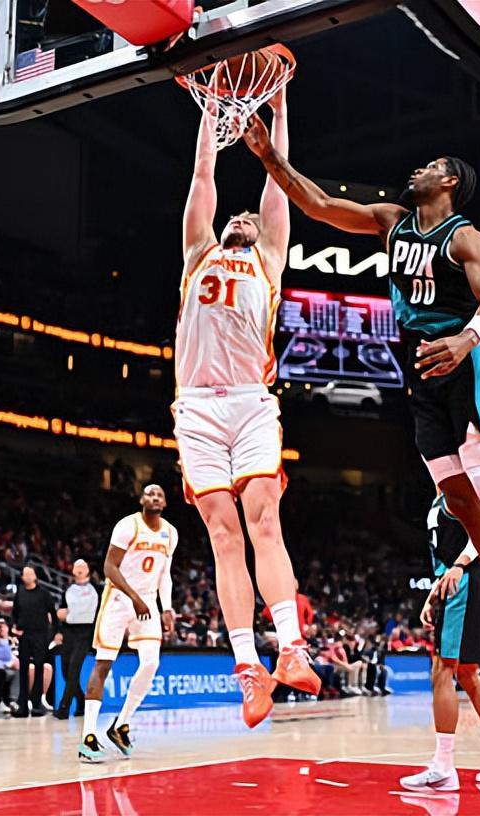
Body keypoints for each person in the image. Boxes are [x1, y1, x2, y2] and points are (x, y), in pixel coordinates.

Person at [243, 118, 480, 681]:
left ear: (450, 183)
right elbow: (318, 204)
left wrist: (467, 340)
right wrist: (269, 155)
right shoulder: (393, 223)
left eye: (432, 166)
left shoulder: (465, 237)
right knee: (458, 497)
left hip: (465, 359)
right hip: (421, 372)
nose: (419, 169)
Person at [173, 87, 322, 729]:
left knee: (265, 523)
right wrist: (211, 111)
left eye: (251, 218)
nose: (241, 217)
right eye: (235, 217)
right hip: (196, 410)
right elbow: (203, 175)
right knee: (222, 534)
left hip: (251, 404)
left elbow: (277, 183)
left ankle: (291, 648)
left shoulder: (268, 260)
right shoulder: (198, 252)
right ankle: (247, 670)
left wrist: (281, 107)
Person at [401, 493, 480, 793]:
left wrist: (460, 565)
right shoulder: (439, 497)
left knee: (443, 671)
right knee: (467, 673)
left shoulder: (458, 488)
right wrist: (434, 593)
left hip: (463, 581)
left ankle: (443, 767)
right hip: (457, 582)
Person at [80, 485, 177, 762]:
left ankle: (120, 724)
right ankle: (88, 736)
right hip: (119, 599)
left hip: (147, 601)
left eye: (159, 495)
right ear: (141, 500)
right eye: (150, 494)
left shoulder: (171, 533)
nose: (154, 497)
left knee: (151, 663)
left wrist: (167, 607)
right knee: (103, 663)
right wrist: (134, 598)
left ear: (164, 503)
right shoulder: (127, 525)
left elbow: (165, 574)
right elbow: (109, 567)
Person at [11, 566, 57, 717]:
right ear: (22, 577)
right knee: (23, 668)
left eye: (31, 574)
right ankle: (22, 704)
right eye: (26, 574)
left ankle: (37, 703)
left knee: (39, 668)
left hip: (40, 635)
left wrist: (53, 634)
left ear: (35, 576)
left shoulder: (44, 593)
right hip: (24, 635)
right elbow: (15, 613)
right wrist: (14, 626)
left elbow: (53, 614)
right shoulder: (20, 593)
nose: (28, 576)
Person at [57, 558, 98, 719]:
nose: (79, 569)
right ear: (73, 571)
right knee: (66, 670)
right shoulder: (67, 590)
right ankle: (81, 701)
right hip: (69, 632)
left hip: (86, 633)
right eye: (76, 566)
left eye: (83, 566)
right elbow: (62, 609)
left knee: (74, 667)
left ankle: (64, 707)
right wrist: (60, 618)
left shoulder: (97, 589)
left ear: (88, 570)